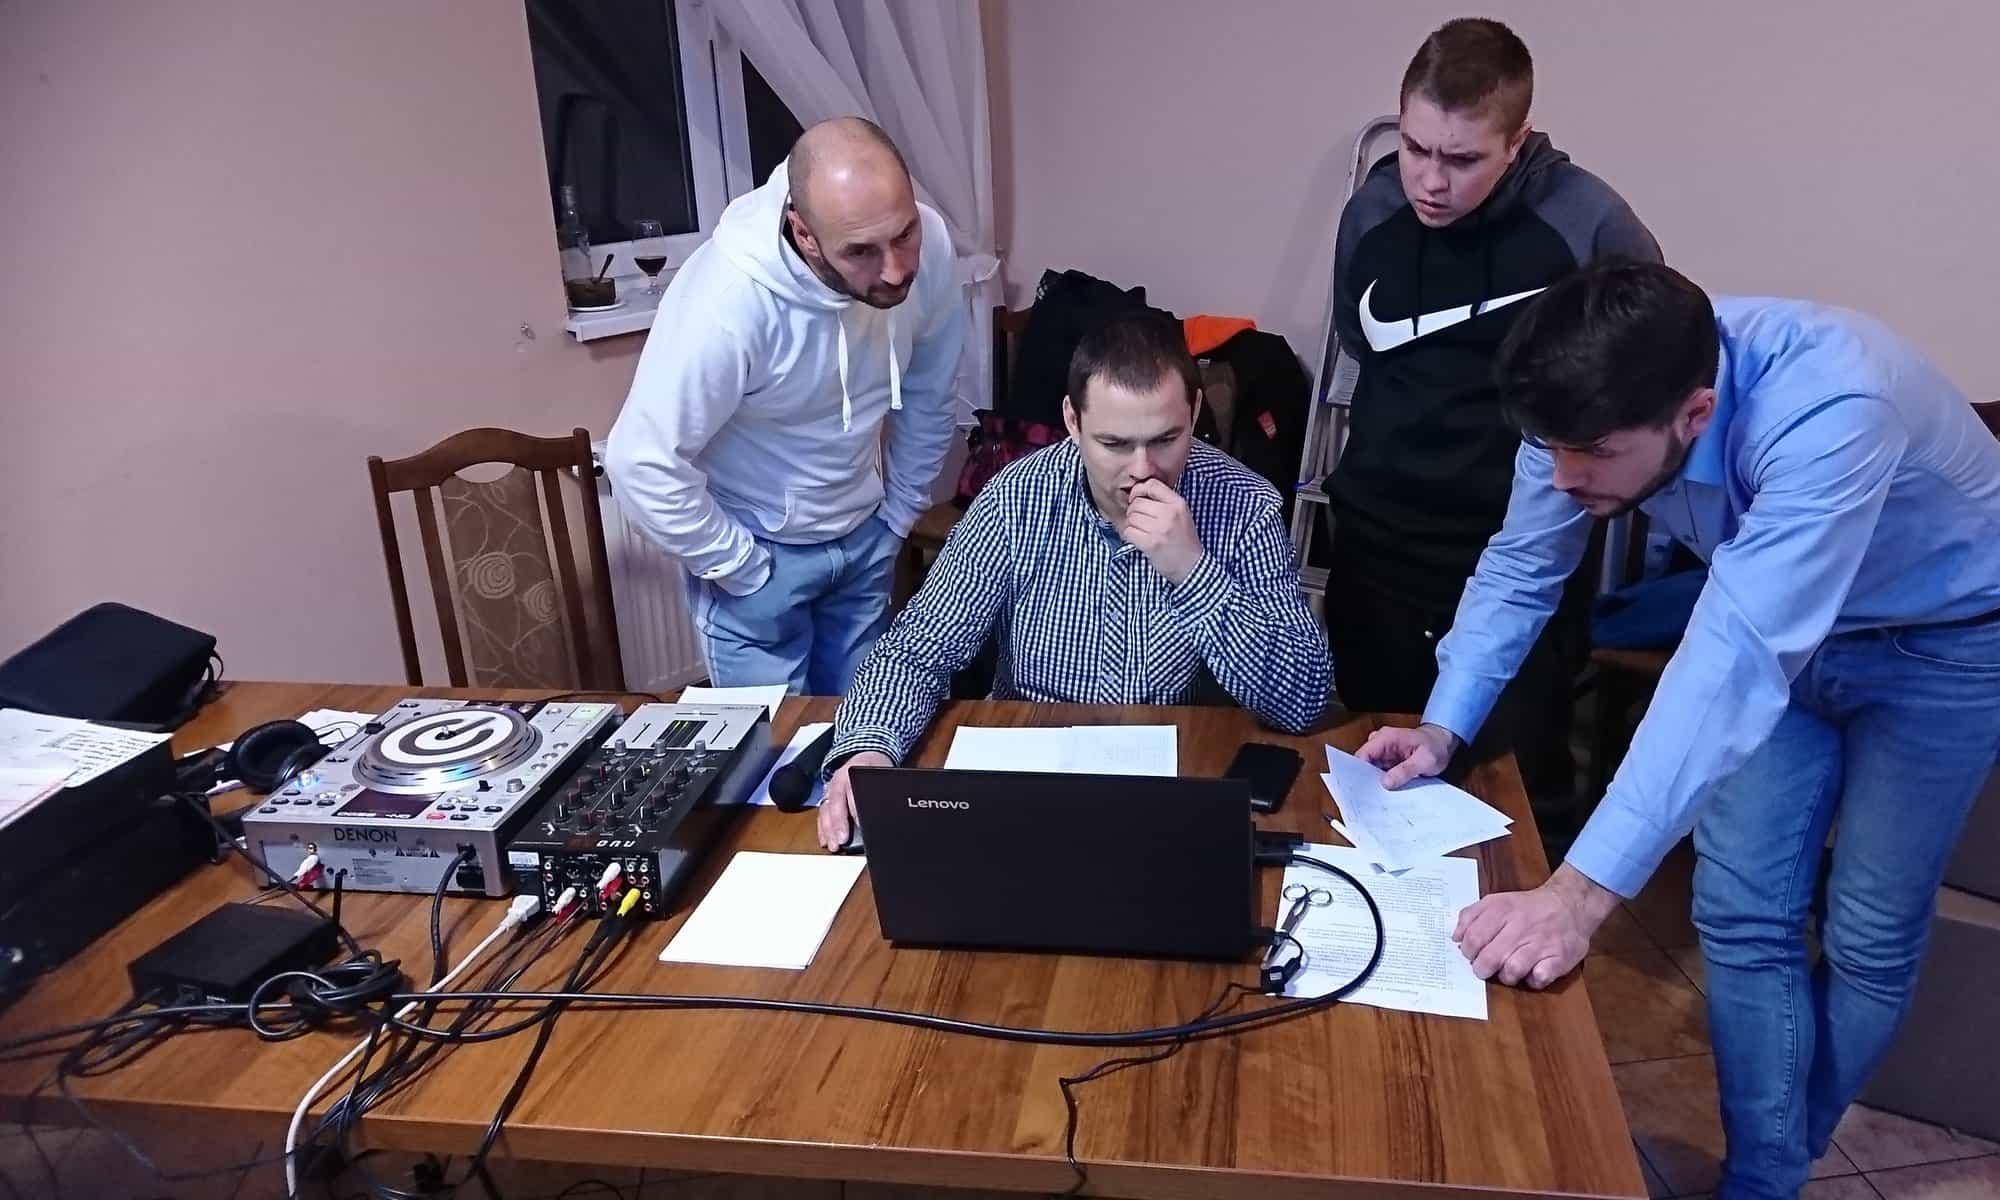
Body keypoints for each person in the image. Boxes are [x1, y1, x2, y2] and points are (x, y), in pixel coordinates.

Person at [1362, 261, 2000, 1200]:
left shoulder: (1834, 405)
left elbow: (1731, 662)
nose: (1564, 475)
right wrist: (1443, 727)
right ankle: (1768, 1175)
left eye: (1591, 453)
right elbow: (1522, 566)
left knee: (1869, 929)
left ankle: (1775, 1163)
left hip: (1945, 643)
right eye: (1550, 447)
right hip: (1787, 629)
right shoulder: (1585, 401)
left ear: (1696, 414)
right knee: (1740, 911)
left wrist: (1576, 898)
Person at [1321, 18, 1660, 840]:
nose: (1431, 181)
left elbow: (1639, 377)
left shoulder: (1589, 226)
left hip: (1513, 559)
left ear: (1518, 141)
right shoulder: (1373, 211)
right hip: (1376, 551)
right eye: (1415, 148)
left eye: (1463, 159)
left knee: (1513, 808)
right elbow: (1364, 345)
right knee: (1373, 791)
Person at [816, 314, 1331, 850]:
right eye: (1114, 443)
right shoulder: (1016, 498)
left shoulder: (1245, 505)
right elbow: (917, 649)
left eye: (1165, 439)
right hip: (1028, 774)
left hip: (1178, 781)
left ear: (1195, 411)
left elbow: (1302, 700)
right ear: (1072, 420)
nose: (1143, 470)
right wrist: (869, 749)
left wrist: (1193, 571)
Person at [605, 117, 966, 693]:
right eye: (860, 252)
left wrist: (900, 516)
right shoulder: (728, 303)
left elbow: (931, 390)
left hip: (865, 535)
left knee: (864, 732)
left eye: (904, 234)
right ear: (804, 233)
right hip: (758, 556)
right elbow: (639, 461)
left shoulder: (934, 246)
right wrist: (740, 566)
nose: (897, 270)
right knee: (768, 749)